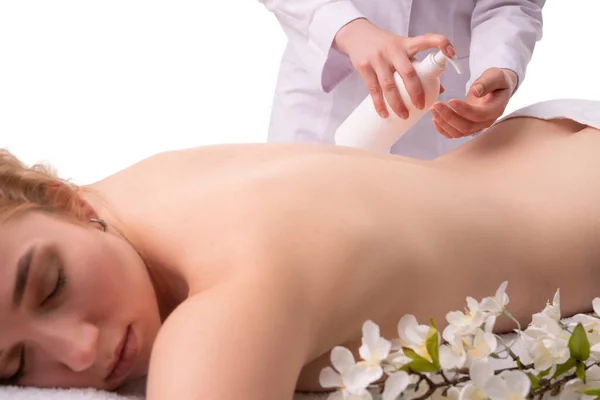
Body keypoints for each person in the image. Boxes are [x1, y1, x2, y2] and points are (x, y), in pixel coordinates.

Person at [1, 98, 599, 400]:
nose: (79, 354)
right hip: (541, 139)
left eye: (51, 286)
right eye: (16, 365)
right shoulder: (117, 195)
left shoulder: (230, 298)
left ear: (67, 200)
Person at [259, 0, 546, 159]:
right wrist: (346, 28)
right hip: (324, 108)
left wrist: (502, 65)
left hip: (443, 121)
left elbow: (511, 3)